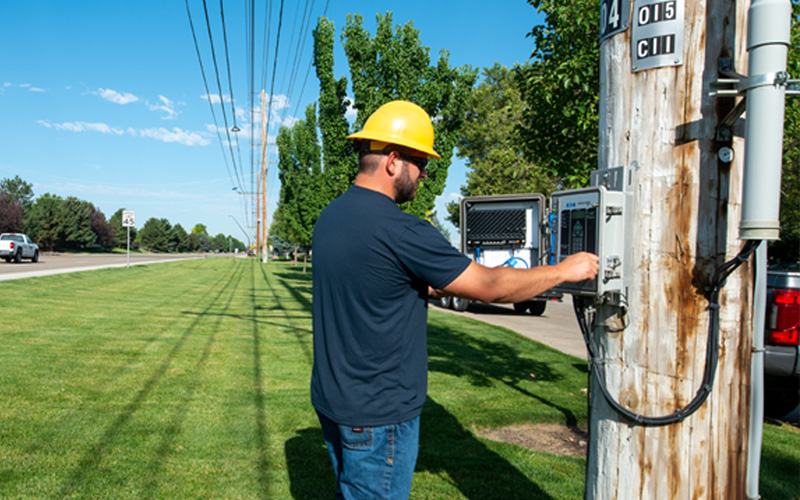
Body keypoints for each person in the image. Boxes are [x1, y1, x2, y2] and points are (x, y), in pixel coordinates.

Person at [310, 100, 598, 500]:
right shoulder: (403, 230)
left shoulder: (330, 218)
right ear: (393, 161)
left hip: (333, 400)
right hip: (378, 415)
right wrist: (564, 271)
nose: (424, 174)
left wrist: (426, 285)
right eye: (420, 163)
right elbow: (493, 286)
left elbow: (369, 281)